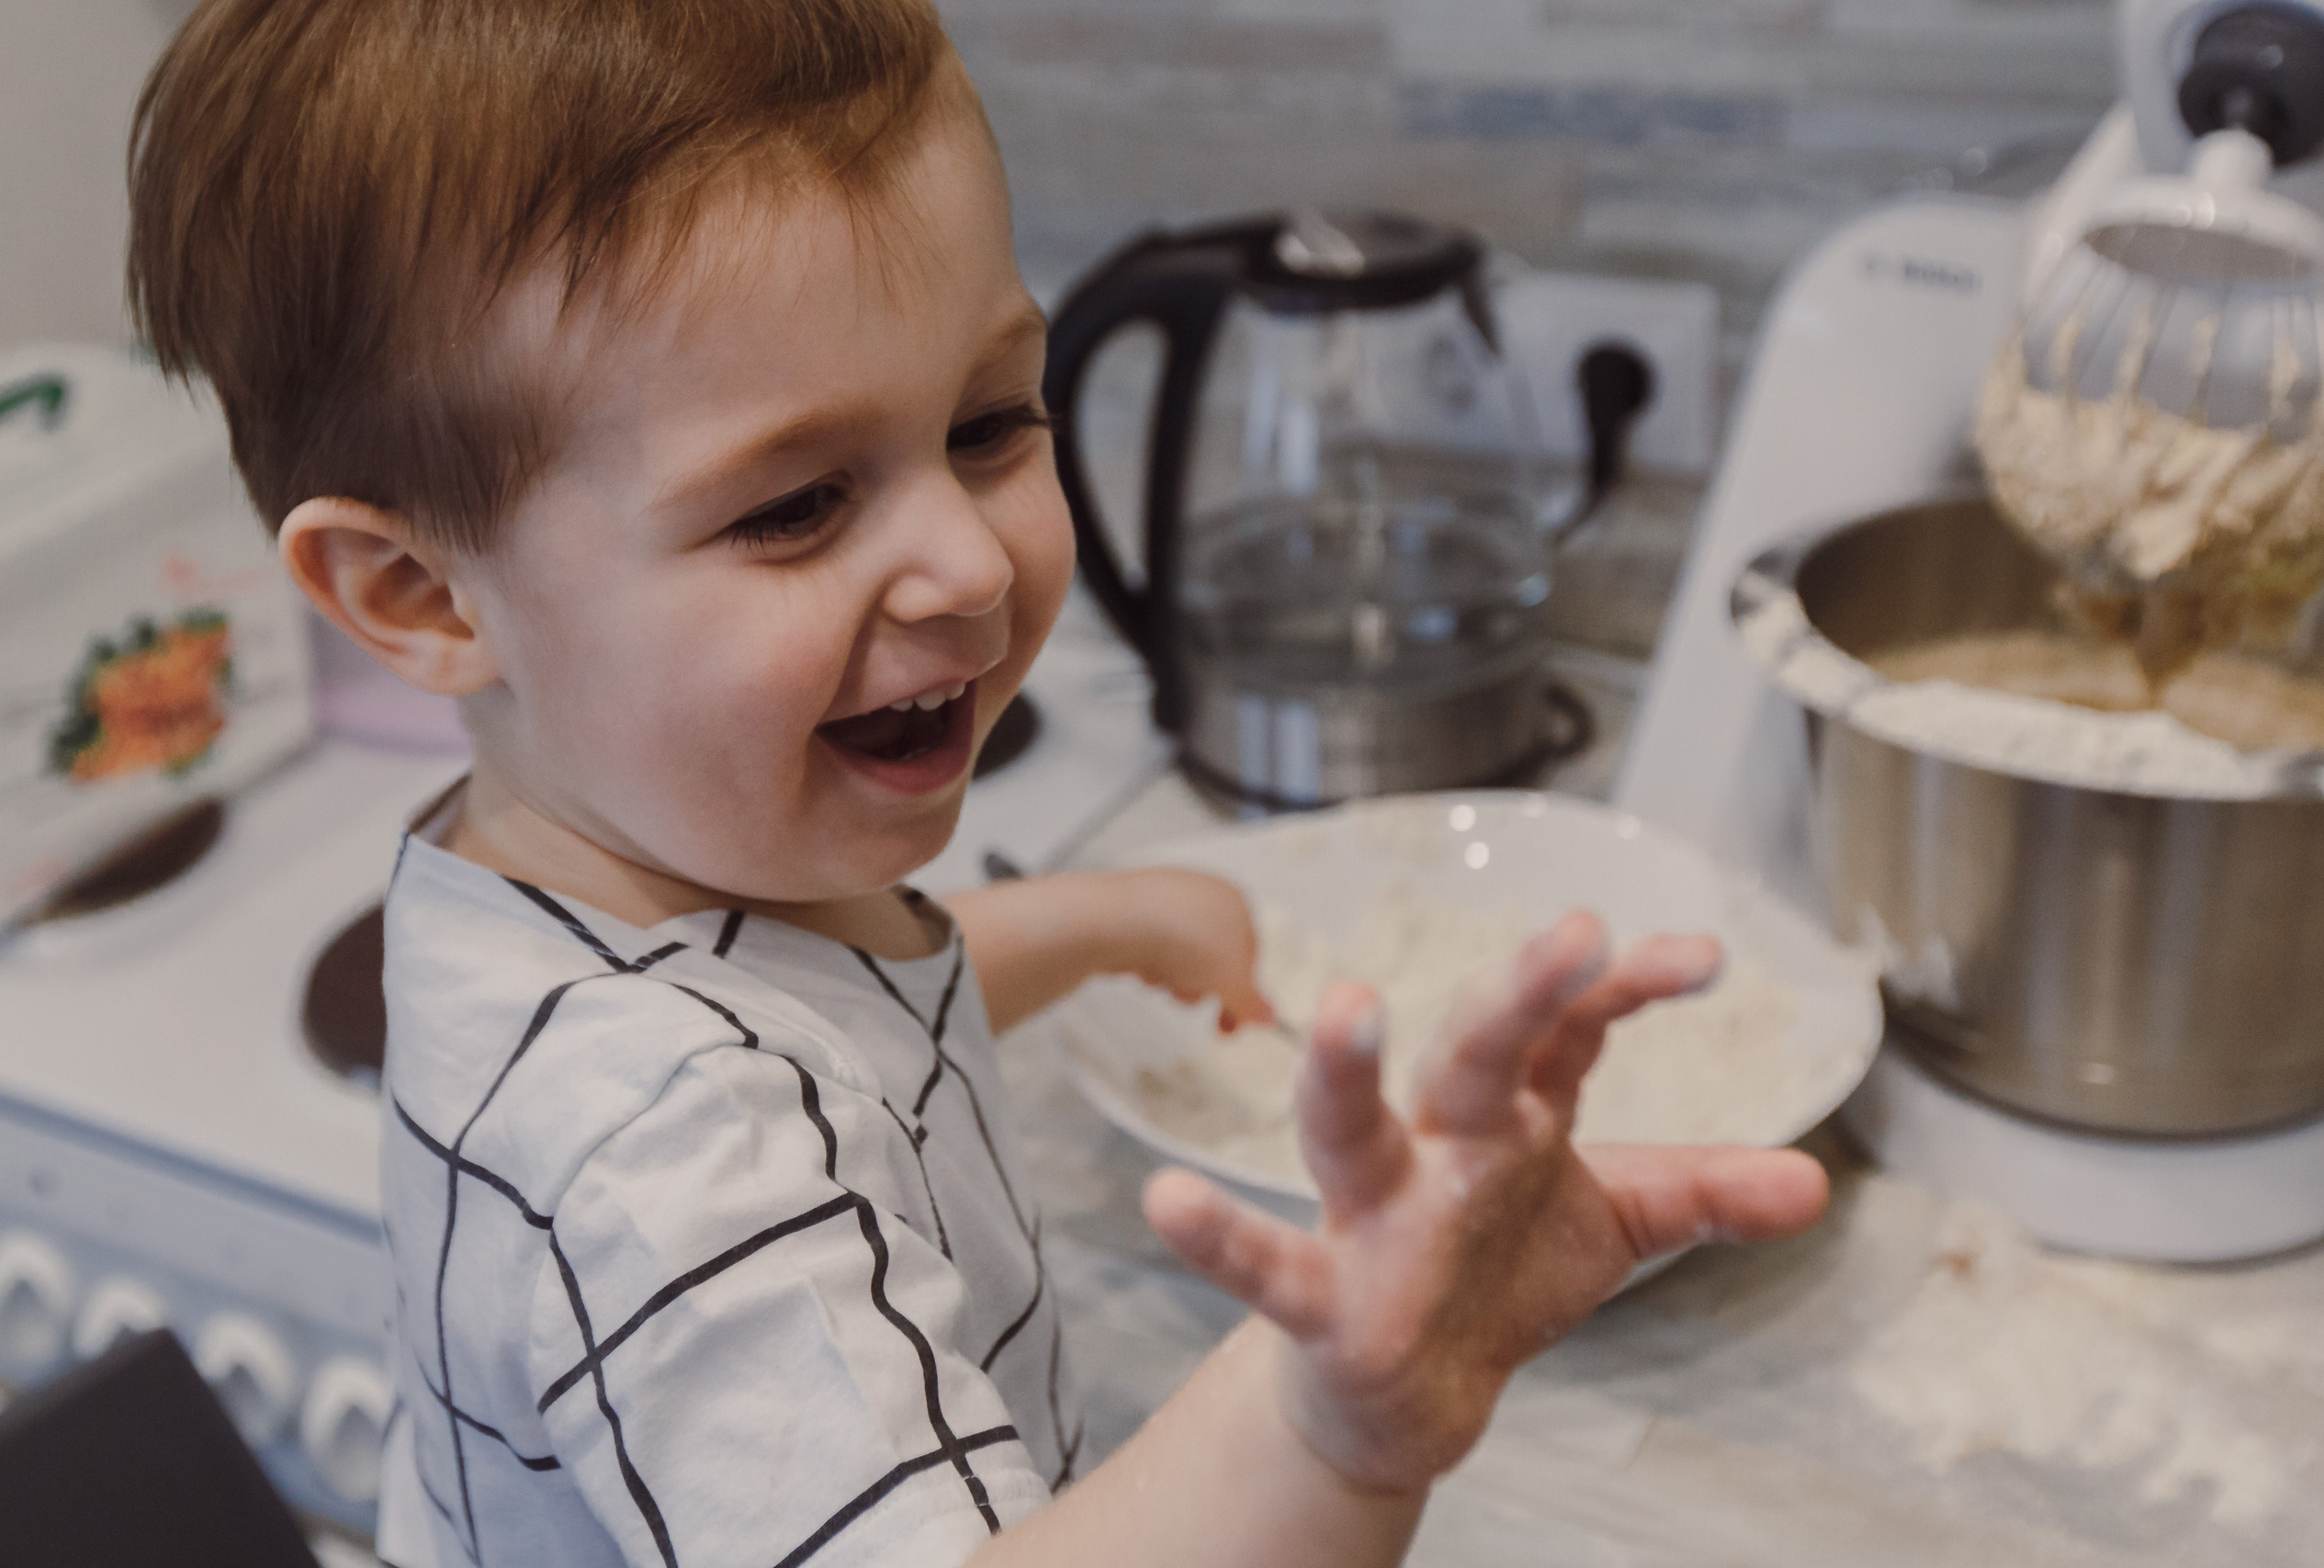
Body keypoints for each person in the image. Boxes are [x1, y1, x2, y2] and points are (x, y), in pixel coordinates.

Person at [125, 4, 1831, 1565]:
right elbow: (742, 1110)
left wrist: (1108, 919)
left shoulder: (579, 858)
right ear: (423, 599)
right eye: (792, 506)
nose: (965, 561)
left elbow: (829, 1001)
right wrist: (1339, 1418)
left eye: (991, 421)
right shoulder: (667, 1166)